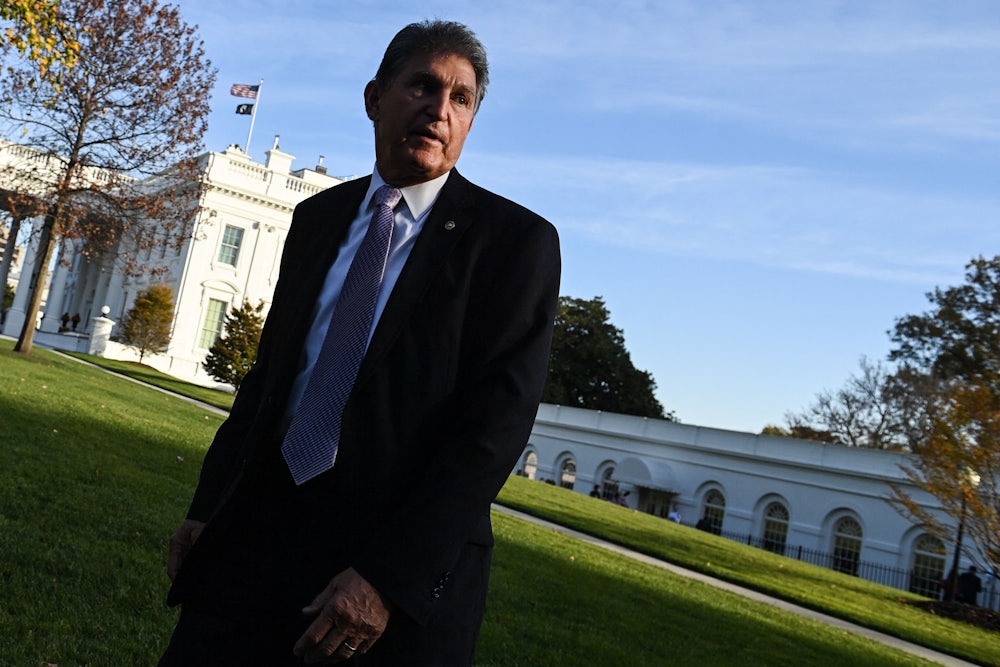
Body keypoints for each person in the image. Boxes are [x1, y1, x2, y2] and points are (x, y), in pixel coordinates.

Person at [158, 20, 561, 667]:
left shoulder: (514, 244)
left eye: (461, 99)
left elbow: (492, 431)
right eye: (423, 86)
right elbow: (270, 382)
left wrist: (386, 577)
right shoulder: (317, 219)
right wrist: (209, 508)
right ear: (374, 98)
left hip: (386, 571)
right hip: (257, 536)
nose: (440, 108)